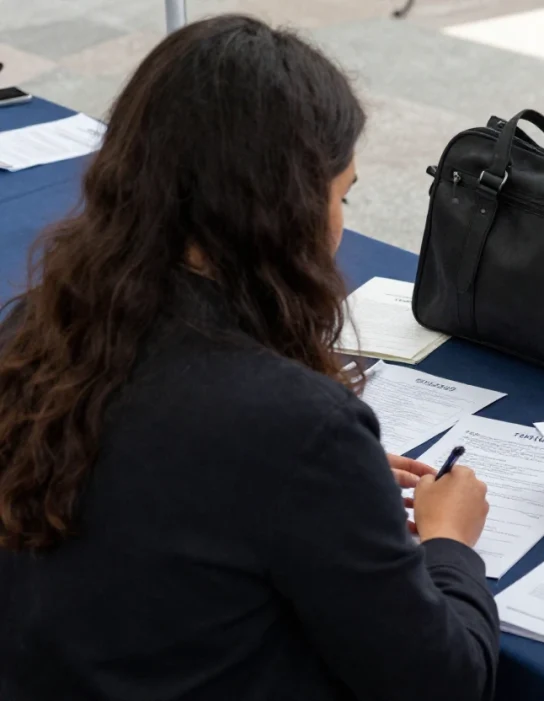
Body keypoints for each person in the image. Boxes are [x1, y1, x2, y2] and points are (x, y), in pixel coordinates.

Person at [0, 16, 498, 701]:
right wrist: (450, 544)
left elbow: (165, 479)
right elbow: (444, 682)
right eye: (341, 194)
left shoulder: (35, 327)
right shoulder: (298, 427)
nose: (341, 223)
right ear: (284, 210)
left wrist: (331, 487)